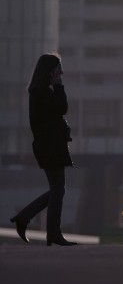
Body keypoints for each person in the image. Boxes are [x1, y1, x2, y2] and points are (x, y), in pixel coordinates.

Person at [9, 54, 76, 246]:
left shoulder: (40, 91)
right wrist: (59, 86)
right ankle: (52, 232)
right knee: (58, 189)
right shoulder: (42, 92)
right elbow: (62, 108)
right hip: (51, 147)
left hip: (49, 146)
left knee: (57, 190)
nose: (61, 73)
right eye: (58, 69)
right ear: (50, 71)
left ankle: (24, 218)